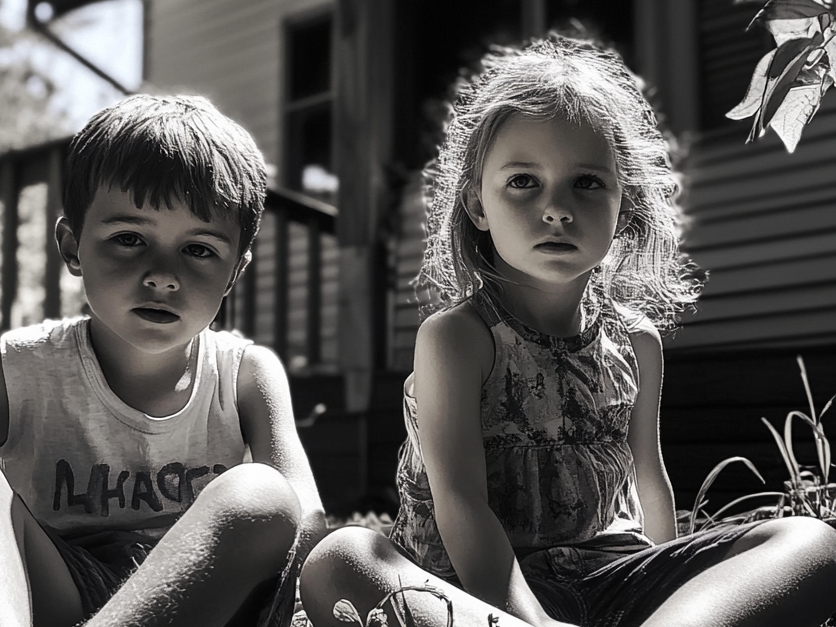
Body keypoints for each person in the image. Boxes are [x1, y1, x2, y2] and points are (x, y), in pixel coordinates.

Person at [299, 36, 836, 627]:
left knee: (807, 541)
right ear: (477, 205)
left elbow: (647, 484)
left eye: (586, 182)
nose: (557, 208)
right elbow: (460, 503)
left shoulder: (637, 344)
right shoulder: (458, 338)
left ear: (624, 207)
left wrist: (660, 580)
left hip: (611, 586)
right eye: (524, 182)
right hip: (480, 602)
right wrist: (535, 621)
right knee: (341, 559)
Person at [0, 94, 327, 627]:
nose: (162, 275)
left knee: (263, 496)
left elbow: (305, 519)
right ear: (72, 247)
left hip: (200, 596)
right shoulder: (21, 368)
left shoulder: (244, 374)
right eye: (129, 239)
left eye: (198, 249)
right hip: (66, 583)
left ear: (235, 271)